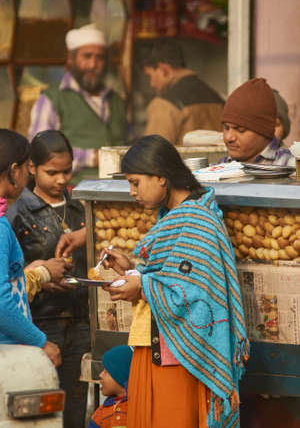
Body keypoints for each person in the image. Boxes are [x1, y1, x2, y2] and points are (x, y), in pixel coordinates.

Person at [97, 135, 249, 428]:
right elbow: (172, 278)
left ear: (161, 177)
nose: (131, 192)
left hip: (178, 357)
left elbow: (195, 295)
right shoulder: (173, 218)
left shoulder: (196, 222)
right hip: (157, 349)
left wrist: (142, 286)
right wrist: (134, 271)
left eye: (135, 182)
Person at [7, 130, 89, 428]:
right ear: (30, 168)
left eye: (66, 171)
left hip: (80, 319)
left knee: (76, 408)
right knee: (41, 412)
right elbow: (9, 275)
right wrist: (41, 275)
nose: (60, 180)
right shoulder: (16, 212)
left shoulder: (80, 205)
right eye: (51, 172)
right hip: (40, 323)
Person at [28, 23, 127, 183]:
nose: (93, 65)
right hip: (71, 194)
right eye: (87, 56)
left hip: (116, 193)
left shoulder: (115, 99)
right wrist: (91, 158)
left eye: (99, 58)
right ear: (71, 59)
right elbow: (39, 151)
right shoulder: (52, 98)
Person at [0, 129, 61, 368]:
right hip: (9, 354)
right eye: (27, 169)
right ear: (14, 170)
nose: (28, 176)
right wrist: (41, 341)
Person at [143, 40, 224, 145]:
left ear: (164, 70)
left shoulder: (164, 104)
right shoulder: (217, 98)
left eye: (150, 76)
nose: (152, 84)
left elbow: (152, 155)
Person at [219, 78, 295, 166]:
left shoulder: (291, 168)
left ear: (265, 131)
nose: (229, 137)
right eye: (226, 128)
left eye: (240, 130)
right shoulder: (221, 166)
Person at [89, 345, 133, 428]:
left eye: (106, 371)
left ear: (120, 376)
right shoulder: (101, 414)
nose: (100, 375)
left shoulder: (139, 410)